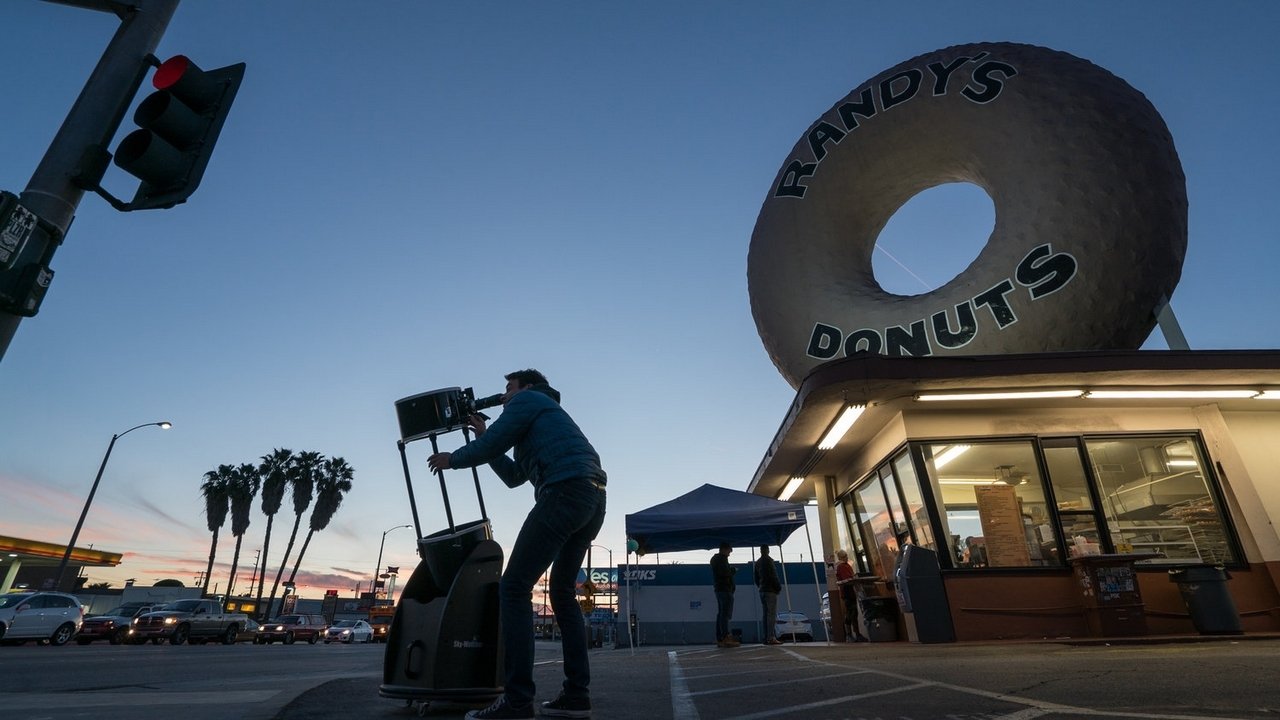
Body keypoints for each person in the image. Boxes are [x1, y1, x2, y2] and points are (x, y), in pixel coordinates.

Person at [428, 369, 607, 720]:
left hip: (564, 492)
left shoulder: (528, 400)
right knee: (562, 594)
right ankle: (576, 696)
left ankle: (518, 700)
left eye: (508, 387)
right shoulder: (545, 415)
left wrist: (455, 459)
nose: (505, 394)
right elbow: (513, 477)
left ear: (525, 386)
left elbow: (493, 444)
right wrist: (481, 433)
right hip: (592, 499)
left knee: (513, 588)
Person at [834, 549, 868, 642]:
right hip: (848, 591)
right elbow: (848, 579)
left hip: (848, 592)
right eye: (845, 556)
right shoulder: (842, 566)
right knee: (852, 613)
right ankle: (854, 634)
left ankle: (851, 634)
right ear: (841, 557)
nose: (847, 557)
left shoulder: (842, 566)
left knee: (851, 613)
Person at [710, 541, 738, 647]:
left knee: (721, 613)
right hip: (724, 589)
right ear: (724, 549)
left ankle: (721, 637)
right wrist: (733, 570)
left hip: (720, 589)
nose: (729, 553)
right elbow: (724, 573)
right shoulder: (721, 559)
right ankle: (725, 636)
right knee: (725, 613)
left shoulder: (717, 559)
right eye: (729, 551)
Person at [754, 544, 782, 645]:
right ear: (768, 550)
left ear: (760, 551)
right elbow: (773, 575)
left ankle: (765, 637)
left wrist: (760, 586)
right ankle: (771, 637)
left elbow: (756, 578)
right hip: (770, 590)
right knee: (771, 614)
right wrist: (778, 587)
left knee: (765, 615)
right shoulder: (769, 561)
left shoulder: (757, 562)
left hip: (762, 590)